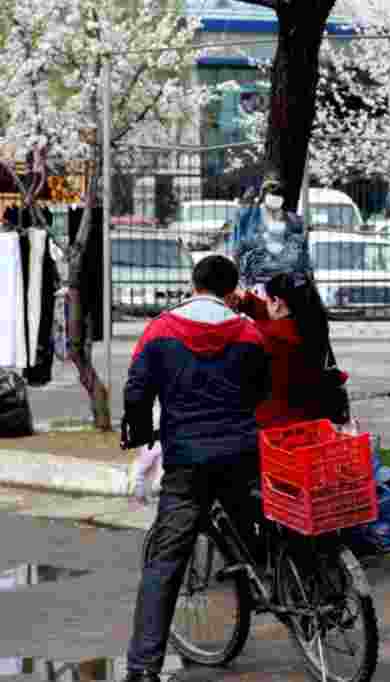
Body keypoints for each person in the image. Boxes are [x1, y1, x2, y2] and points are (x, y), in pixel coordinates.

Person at [121, 255, 268, 682]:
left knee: (165, 562)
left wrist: (141, 428)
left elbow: (136, 389)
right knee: (256, 530)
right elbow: (262, 387)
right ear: (233, 289)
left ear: (193, 283)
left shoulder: (162, 329)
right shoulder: (248, 332)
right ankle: (279, 587)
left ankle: (143, 667)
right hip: (241, 457)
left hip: (186, 463)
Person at [227, 271, 334, 429]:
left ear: (277, 302)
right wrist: (245, 300)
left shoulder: (264, 336)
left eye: (267, 299)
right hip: (311, 419)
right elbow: (276, 313)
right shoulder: (312, 325)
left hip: (271, 425)